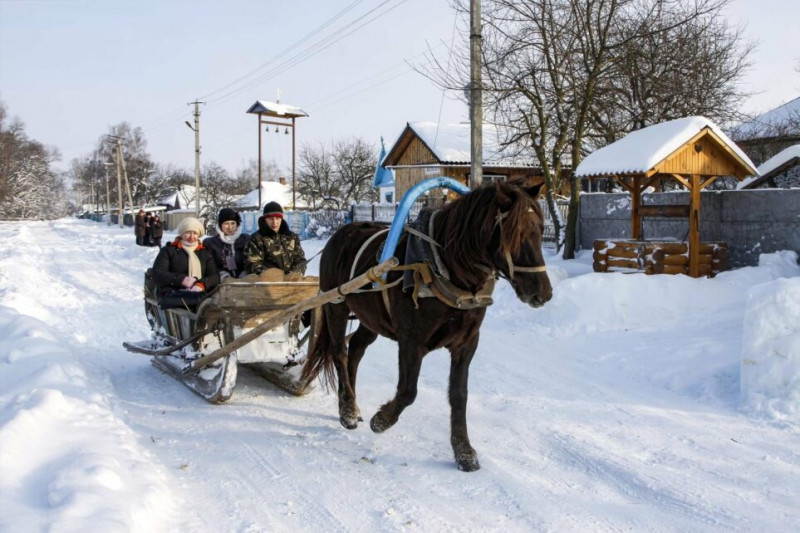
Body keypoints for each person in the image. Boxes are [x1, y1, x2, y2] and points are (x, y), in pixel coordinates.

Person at [151, 217, 219, 304]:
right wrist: (182, 279)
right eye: (187, 233)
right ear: (182, 234)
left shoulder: (205, 252)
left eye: (195, 233)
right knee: (195, 300)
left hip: (200, 292)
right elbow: (157, 273)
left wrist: (202, 284)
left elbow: (214, 276)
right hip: (173, 292)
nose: (191, 237)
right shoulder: (169, 250)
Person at [244, 201, 306, 278]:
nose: (274, 222)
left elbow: (300, 260)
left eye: (277, 218)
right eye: (270, 218)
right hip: (266, 285)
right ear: (265, 219)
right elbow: (252, 263)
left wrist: (295, 274)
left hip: (291, 283)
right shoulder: (257, 239)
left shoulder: (292, 237)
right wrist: (274, 276)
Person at [204, 207, 249, 279]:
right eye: (226, 224)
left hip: (245, 279)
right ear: (220, 225)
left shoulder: (245, 239)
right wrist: (222, 275)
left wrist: (246, 273)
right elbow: (210, 266)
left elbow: (251, 260)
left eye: (233, 223)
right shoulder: (211, 243)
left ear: (237, 224)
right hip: (221, 281)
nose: (230, 227)